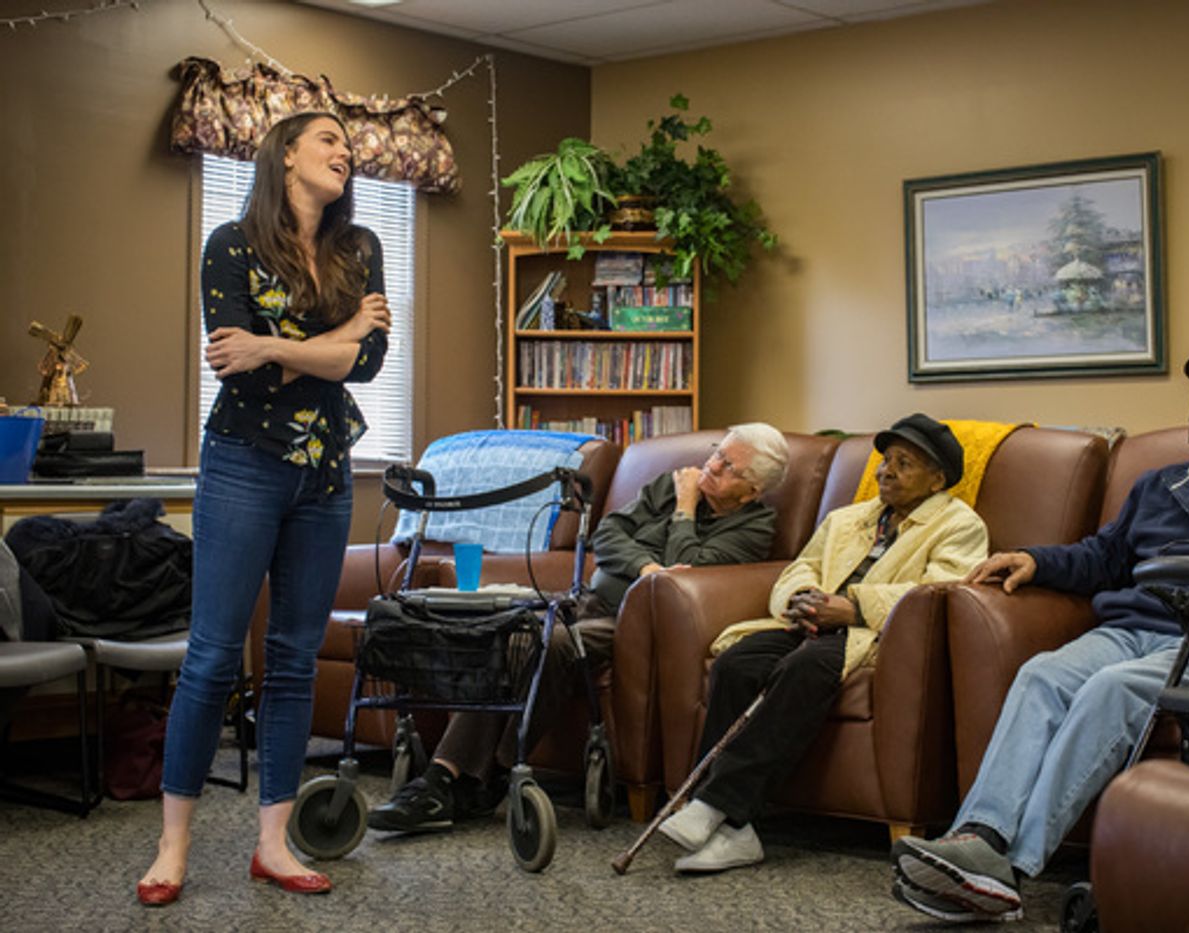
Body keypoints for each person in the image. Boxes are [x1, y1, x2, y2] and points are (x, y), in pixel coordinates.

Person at [891, 353, 1189, 924]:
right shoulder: (1158, 484)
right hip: (1125, 628)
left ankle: (1008, 869)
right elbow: (1105, 556)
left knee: (1111, 691)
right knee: (1041, 674)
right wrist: (1032, 560)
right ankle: (979, 834)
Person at [138, 111, 391, 906]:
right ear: (285, 157)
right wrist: (334, 341)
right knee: (213, 655)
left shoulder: (359, 249)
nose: (343, 150)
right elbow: (236, 373)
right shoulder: (231, 244)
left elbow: (370, 362)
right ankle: (171, 848)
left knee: (292, 660)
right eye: (328, 139)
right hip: (245, 465)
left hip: (325, 473)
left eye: (347, 143)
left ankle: (273, 843)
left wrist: (280, 344)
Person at [367, 423, 791, 832]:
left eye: (727, 467)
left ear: (753, 490)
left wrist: (683, 511)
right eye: (717, 454)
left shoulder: (753, 527)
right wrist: (646, 562)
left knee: (547, 643)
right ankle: (463, 779)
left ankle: (455, 779)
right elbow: (607, 534)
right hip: (584, 599)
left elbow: (683, 576)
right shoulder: (667, 484)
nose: (711, 467)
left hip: (631, 624)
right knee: (500, 629)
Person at [658, 414, 990, 873]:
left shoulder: (959, 525)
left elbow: (942, 590)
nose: (885, 471)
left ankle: (713, 804)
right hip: (811, 623)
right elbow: (801, 566)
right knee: (738, 662)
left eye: (904, 463)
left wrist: (852, 608)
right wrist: (800, 599)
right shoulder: (848, 517)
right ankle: (736, 831)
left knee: (806, 666)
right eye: (885, 460)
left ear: (938, 479)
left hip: (875, 635)